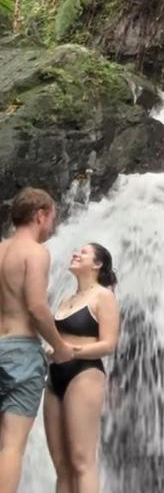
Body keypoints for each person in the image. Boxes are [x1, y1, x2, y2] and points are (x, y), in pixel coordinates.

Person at [0, 187, 74, 493]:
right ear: (40, 214)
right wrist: (59, 345)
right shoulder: (35, 252)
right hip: (20, 352)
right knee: (11, 445)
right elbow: (36, 307)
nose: (52, 226)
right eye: (52, 218)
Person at [44, 243, 119, 493]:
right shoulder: (67, 298)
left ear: (97, 264)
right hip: (55, 376)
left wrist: (71, 351)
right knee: (61, 466)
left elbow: (109, 344)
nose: (76, 253)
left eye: (84, 252)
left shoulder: (103, 296)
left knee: (81, 460)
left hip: (84, 373)